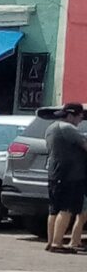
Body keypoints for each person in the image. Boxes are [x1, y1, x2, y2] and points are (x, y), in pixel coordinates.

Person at [47, 103, 87, 253]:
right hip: (69, 175)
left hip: (54, 173)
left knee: (53, 210)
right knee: (67, 209)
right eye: (79, 117)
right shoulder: (68, 129)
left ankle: (51, 242)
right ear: (70, 115)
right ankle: (57, 243)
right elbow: (85, 145)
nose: (80, 121)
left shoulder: (50, 128)